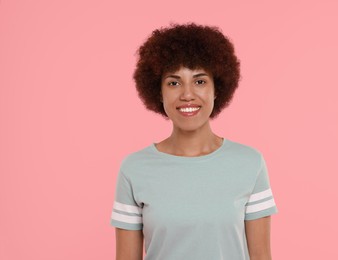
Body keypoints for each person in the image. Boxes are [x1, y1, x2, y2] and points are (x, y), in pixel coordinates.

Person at [110, 23, 278, 260]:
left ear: (216, 89)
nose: (187, 94)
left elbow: (261, 257)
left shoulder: (250, 164)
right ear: (159, 92)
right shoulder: (134, 169)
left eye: (199, 81)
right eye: (174, 82)